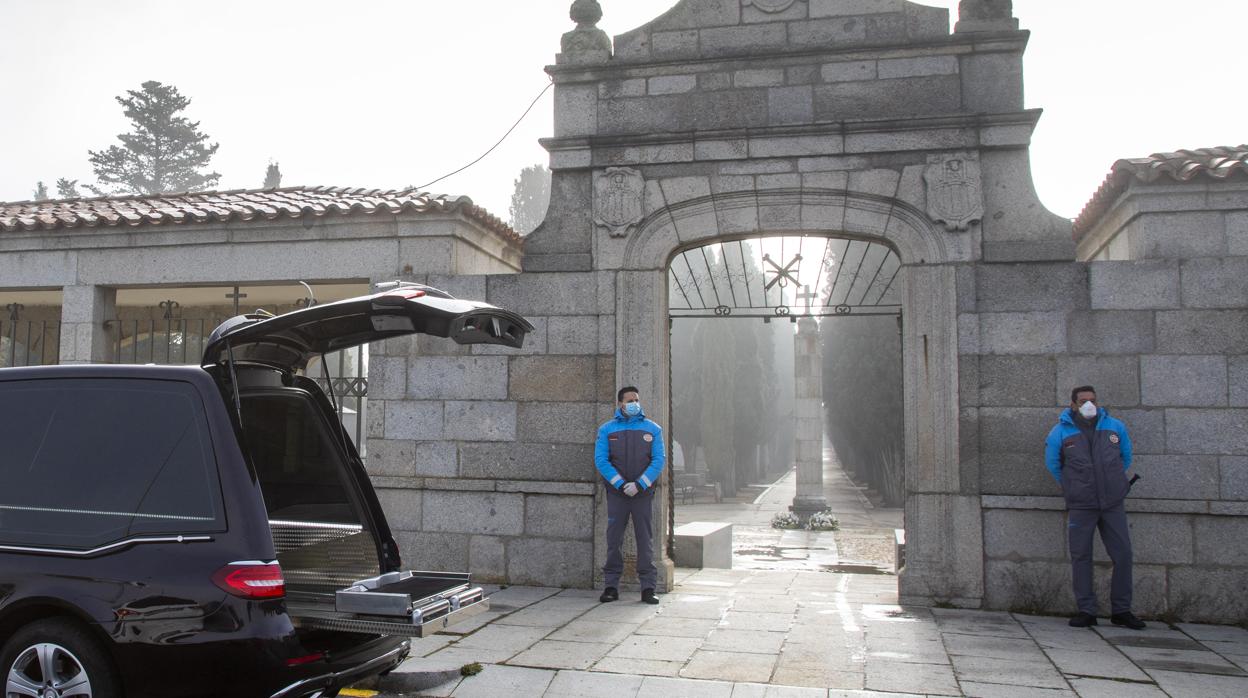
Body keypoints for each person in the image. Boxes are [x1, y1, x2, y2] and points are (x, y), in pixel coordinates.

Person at [1044, 385, 1145, 630]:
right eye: (1083, 401)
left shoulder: (1115, 427)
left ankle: (1121, 610)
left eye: (1092, 400)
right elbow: (1053, 464)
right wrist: (1073, 487)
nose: (1089, 405)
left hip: (1112, 503)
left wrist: (1113, 483)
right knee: (1081, 556)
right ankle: (1086, 610)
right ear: (1073, 404)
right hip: (1082, 504)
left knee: (1123, 555)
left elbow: (1126, 456)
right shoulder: (1060, 432)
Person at [595, 386, 666, 605]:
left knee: (645, 539)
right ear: (620, 404)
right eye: (630, 400)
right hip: (618, 493)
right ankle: (611, 586)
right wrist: (620, 483)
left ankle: (647, 588)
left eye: (637, 399)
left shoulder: (652, 429)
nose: (635, 402)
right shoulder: (607, 430)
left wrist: (640, 484)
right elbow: (601, 460)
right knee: (613, 539)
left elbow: (658, 459)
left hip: (642, 493)